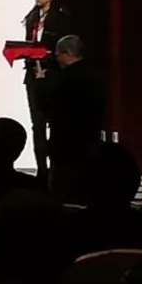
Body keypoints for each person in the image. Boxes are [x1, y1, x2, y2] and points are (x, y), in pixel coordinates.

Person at [21, 0, 73, 182]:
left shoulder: (61, 19)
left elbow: (64, 50)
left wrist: (45, 56)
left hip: (53, 76)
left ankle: (57, 170)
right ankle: (41, 169)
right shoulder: (32, 18)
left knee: (56, 124)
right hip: (33, 76)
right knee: (37, 125)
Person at [45, 35, 104, 198]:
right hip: (90, 139)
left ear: (68, 53)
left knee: (63, 188)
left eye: (58, 55)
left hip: (65, 143)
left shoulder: (65, 79)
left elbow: (47, 105)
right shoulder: (95, 74)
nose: (56, 59)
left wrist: (41, 81)